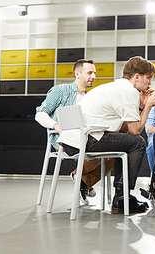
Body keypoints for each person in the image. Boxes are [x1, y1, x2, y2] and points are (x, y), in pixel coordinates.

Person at [57, 56, 155, 214]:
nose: (150, 84)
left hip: (74, 140)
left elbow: (123, 131)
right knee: (138, 143)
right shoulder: (129, 91)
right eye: (149, 78)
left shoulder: (117, 87)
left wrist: (140, 106)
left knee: (129, 144)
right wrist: (148, 106)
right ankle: (123, 197)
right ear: (137, 76)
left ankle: (121, 196)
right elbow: (136, 131)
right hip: (87, 139)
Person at [35, 59, 113, 205]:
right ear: (78, 74)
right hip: (65, 139)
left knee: (111, 155)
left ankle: (82, 182)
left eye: (94, 73)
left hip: (87, 139)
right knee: (99, 150)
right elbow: (39, 113)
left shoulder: (92, 98)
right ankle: (82, 181)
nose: (94, 76)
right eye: (90, 73)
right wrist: (55, 124)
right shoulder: (61, 91)